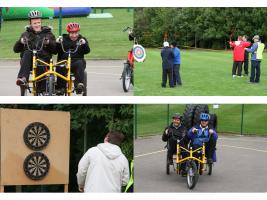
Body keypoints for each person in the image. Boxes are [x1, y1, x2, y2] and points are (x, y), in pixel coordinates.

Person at [13, 10, 57, 92]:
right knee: (27, 52)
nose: (37, 25)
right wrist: (20, 42)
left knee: (40, 63)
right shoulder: (26, 34)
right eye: (34, 23)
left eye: (38, 22)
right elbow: (15, 50)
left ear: (41, 22)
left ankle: (42, 89)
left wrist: (48, 43)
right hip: (28, 62)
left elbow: (55, 50)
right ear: (30, 23)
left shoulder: (48, 34)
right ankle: (23, 78)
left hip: (43, 60)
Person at [56, 23, 90, 94]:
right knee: (60, 65)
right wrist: (58, 43)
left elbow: (87, 51)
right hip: (64, 61)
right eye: (72, 33)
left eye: (76, 33)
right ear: (68, 33)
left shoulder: (82, 39)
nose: (74, 35)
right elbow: (55, 51)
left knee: (80, 63)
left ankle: (79, 85)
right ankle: (61, 88)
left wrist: (84, 44)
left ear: (78, 32)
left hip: (76, 61)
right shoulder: (63, 39)